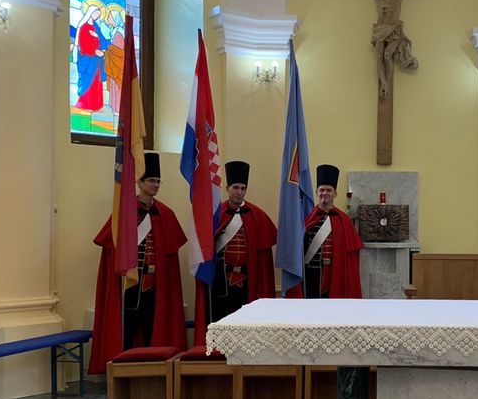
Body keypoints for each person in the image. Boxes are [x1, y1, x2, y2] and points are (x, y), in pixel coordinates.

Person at [88, 152, 187, 373]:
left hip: (154, 285)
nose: (156, 185)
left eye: (158, 181)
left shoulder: (165, 214)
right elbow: (111, 246)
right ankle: (122, 375)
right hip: (129, 285)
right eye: (151, 180)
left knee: (154, 330)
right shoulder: (124, 212)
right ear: (139, 183)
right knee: (127, 330)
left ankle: (155, 373)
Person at [331, 0, 444, 102]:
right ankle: (383, 82)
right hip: (380, 28)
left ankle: (387, 83)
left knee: (387, 54)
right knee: (379, 55)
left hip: (394, 28)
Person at [193, 160, 277, 345]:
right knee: (220, 328)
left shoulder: (257, 215)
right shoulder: (215, 213)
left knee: (244, 331)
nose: (239, 192)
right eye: (235, 188)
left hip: (247, 282)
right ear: (227, 188)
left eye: (243, 188)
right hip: (220, 282)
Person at [297, 164, 364, 299]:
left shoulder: (344, 220)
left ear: (335, 193)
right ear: (317, 192)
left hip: (335, 272)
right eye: (322, 190)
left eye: (329, 190)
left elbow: (351, 257)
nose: (325, 193)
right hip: (311, 274)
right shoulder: (307, 218)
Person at [74, 4, 107, 112]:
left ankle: (95, 105)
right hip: (88, 60)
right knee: (88, 81)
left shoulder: (96, 27)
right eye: (96, 12)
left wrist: (102, 50)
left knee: (96, 82)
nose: (97, 15)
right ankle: (85, 105)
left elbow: (102, 40)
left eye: (99, 13)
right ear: (90, 12)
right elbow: (82, 44)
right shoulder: (84, 27)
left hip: (97, 61)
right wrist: (94, 51)